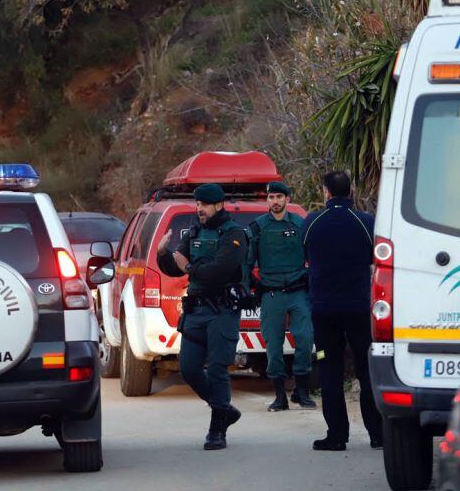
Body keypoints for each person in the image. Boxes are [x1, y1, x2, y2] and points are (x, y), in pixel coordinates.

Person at [157, 183, 247, 450]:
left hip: (222, 311)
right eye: (197, 205)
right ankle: (225, 410)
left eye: (204, 205)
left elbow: (220, 270)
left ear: (219, 205)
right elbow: (176, 268)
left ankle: (217, 430)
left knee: (218, 369)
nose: (199, 210)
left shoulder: (234, 234)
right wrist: (163, 254)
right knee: (189, 369)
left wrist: (189, 267)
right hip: (196, 312)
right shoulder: (194, 232)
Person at [300, 171, 383, 451]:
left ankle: (336, 435)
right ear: (351, 191)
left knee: (329, 369)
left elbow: (304, 255)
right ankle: (377, 433)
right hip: (359, 307)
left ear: (325, 192)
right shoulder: (366, 221)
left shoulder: (313, 222)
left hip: (324, 310)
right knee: (365, 369)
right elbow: (377, 257)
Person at [249, 180, 316, 411]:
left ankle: (302, 391)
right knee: (273, 345)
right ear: (267, 200)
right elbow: (246, 261)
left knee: (306, 340)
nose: (275, 201)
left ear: (288, 199)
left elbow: (313, 257)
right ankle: (279, 396)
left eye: (279, 197)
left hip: (298, 292)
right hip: (272, 294)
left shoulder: (301, 224)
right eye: (271, 197)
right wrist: (251, 285)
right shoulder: (258, 227)